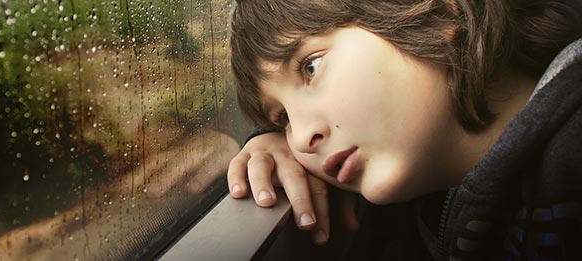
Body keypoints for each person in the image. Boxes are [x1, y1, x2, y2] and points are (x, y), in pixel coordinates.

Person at [226, 0, 582, 259]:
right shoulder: (409, 204)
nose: (302, 138)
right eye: (283, 118)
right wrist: (267, 142)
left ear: (440, 9)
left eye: (311, 68)